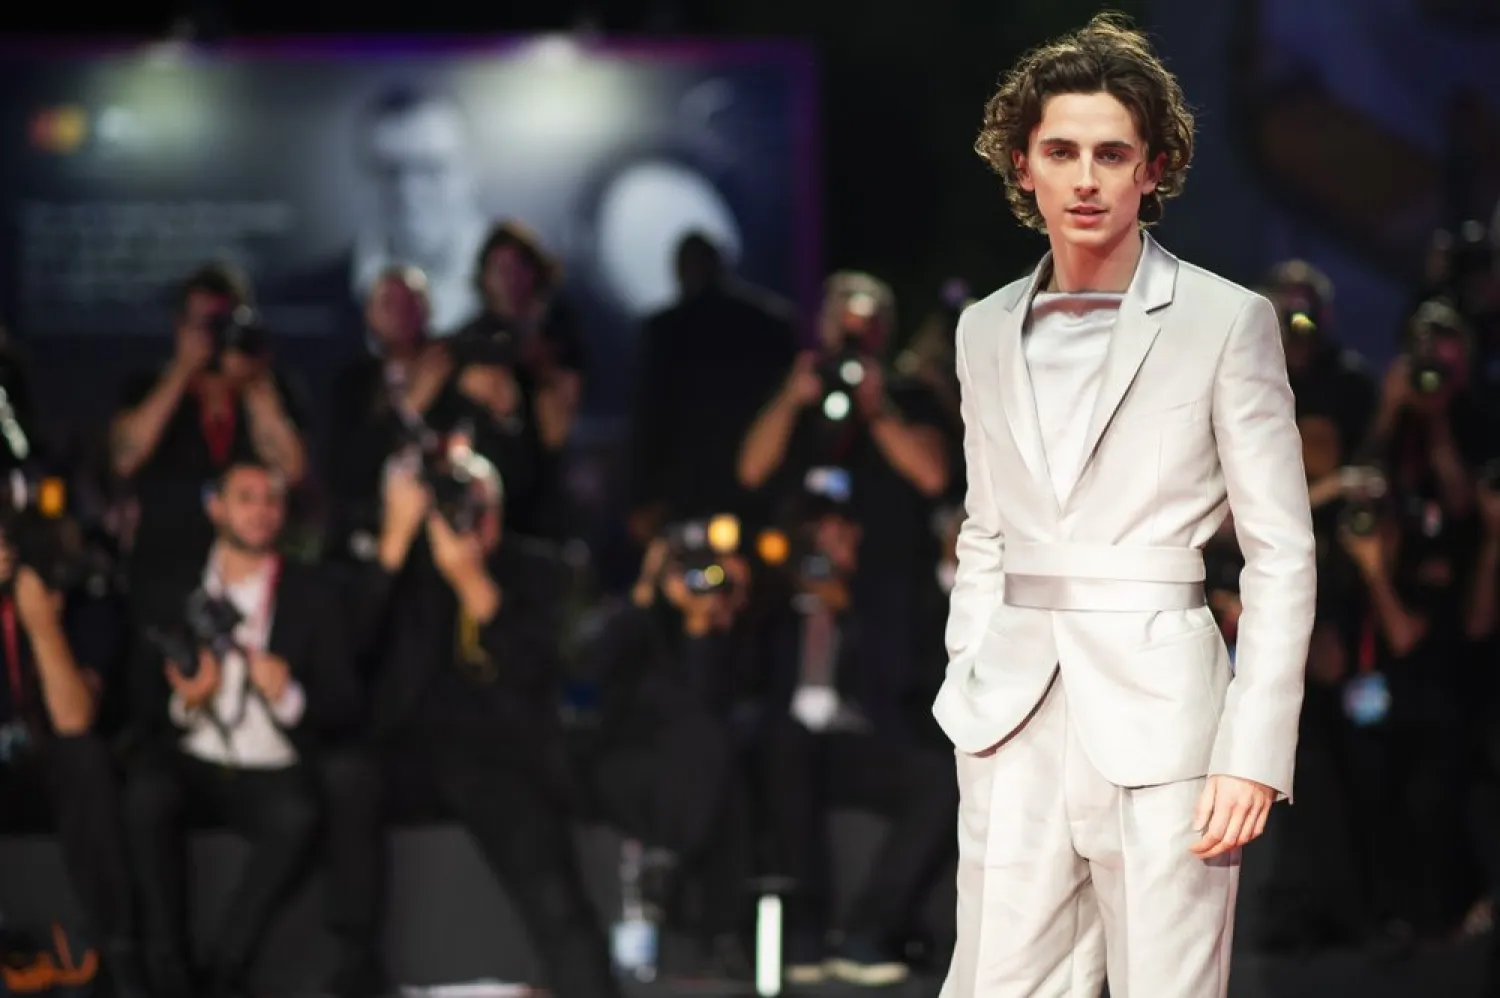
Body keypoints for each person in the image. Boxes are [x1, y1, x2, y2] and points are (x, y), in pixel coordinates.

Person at [931, 13, 1316, 997]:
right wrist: (966, 669)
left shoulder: (1227, 320)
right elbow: (986, 524)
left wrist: (1254, 748)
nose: (1086, 177)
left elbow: (1280, 550)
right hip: (1010, 709)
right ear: (1024, 166)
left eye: (1112, 153)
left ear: (1154, 168)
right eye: (1062, 151)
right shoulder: (981, 330)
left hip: (1168, 723)